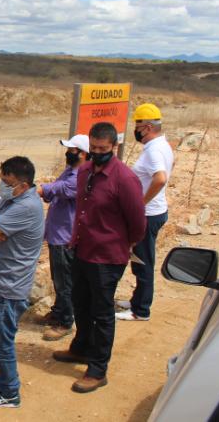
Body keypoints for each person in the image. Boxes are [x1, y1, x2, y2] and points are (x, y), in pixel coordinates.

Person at [53, 122, 146, 393]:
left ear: (114, 147)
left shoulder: (125, 179)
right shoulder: (84, 171)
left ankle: (97, 369)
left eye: (102, 149)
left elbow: (138, 222)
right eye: (93, 148)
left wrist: (122, 243)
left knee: (102, 312)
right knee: (80, 303)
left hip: (107, 256)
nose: (97, 152)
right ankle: (81, 347)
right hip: (83, 249)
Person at [0, 156, 44, 409]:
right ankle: (3, 375)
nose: (3, 186)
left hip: (11, 285)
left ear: (23, 185)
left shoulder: (25, 206)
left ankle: (10, 391)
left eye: (8, 182)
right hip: (3, 280)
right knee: (1, 334)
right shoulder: (14, 199)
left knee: (0, 340)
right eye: (2, 180)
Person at [116, 103, 174, 321]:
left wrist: (140, 203)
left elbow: (160, 178)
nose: (136, 129)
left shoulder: (154, 150)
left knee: (142, 262)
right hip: (154, 211)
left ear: (147, 127)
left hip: (148, 214)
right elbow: (170, 166)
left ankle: (140, 310)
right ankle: (136, 300)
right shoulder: (162, 145)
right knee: (141, 258)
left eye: (137, 125)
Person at [37, 134, 89, 341]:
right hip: (57, 233)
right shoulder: (70, 171)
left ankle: (65, 322)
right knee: (58, 278)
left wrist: (40, 189)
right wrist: (45, 191)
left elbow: (62, 189)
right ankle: (59, 312)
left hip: (65, 236)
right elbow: (53, 191)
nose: (68, 154)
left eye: (72, 151)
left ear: (84, 154)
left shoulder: (81, 176)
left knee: (64, 281)